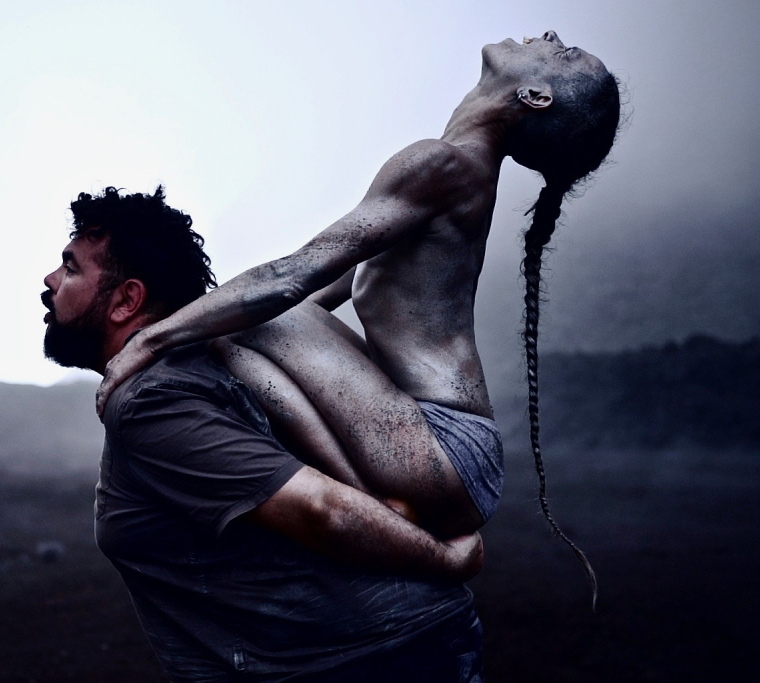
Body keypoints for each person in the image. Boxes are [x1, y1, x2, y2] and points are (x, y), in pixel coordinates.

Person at [97, 32, 622, 605]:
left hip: (442, 448)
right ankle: (368, 498)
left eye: (564, 54)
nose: (551, 37)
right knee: (238, 326)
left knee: (250, 318)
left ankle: (371, 506)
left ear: (536, 97)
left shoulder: (442, 164)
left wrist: (148, 342)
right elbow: (327, 288)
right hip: (442, 451)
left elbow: (291, 278)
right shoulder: (458, 168)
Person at [43, 185, 489, 683]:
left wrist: (445, 558)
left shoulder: (152, 402)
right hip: (373, 670)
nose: (49, 281)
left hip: (368, 679)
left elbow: (321, 510)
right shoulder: (202, 361)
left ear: (126, 301)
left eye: (70, 268)